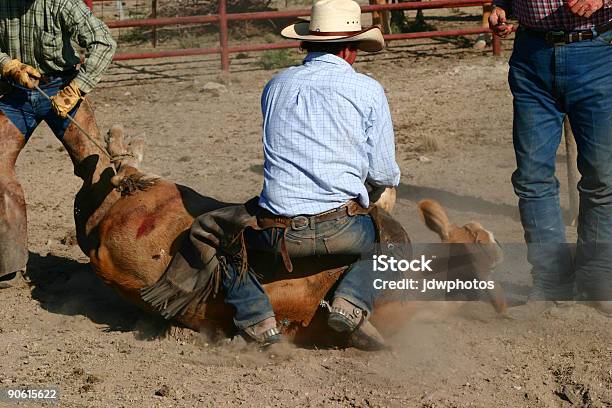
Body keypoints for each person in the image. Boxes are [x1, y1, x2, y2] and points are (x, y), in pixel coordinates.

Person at [220, 0, 401, 348]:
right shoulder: (368, 90)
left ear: (307, 42)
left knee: (221, 240)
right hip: (344, 227)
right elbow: (382, 172)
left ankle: (257, 319)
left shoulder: (276, 85)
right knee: (393, 244)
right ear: (351, 49)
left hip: (277, 232)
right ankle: (351, 303)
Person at [489, 0, 611, 315]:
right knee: (532, 177)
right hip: (533, 57)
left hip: (596, 51)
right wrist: (501, 7)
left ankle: (597, 277)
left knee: (603, 175)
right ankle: (551, 280)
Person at [0, 0, 117, 289]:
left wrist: (78, 87)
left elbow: (103, 40)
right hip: (14, 94)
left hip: (62, 87)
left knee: (98, 167)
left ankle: (109, 253)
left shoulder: (61, 2)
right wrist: (6, 64)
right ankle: (9, 264)